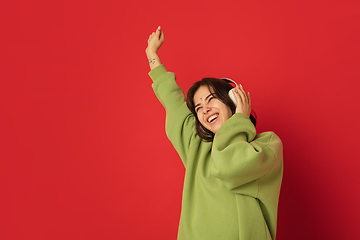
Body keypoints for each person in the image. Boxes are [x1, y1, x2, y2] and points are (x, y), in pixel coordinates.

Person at [146, 26, 283, 240]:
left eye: (211, 100)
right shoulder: (196, 145)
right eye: (198, 107)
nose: (205, 109)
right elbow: (172, 101)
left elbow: (231, 166)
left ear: (233, 99)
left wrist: (239, 120)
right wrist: (152, 55)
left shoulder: (267, 145)